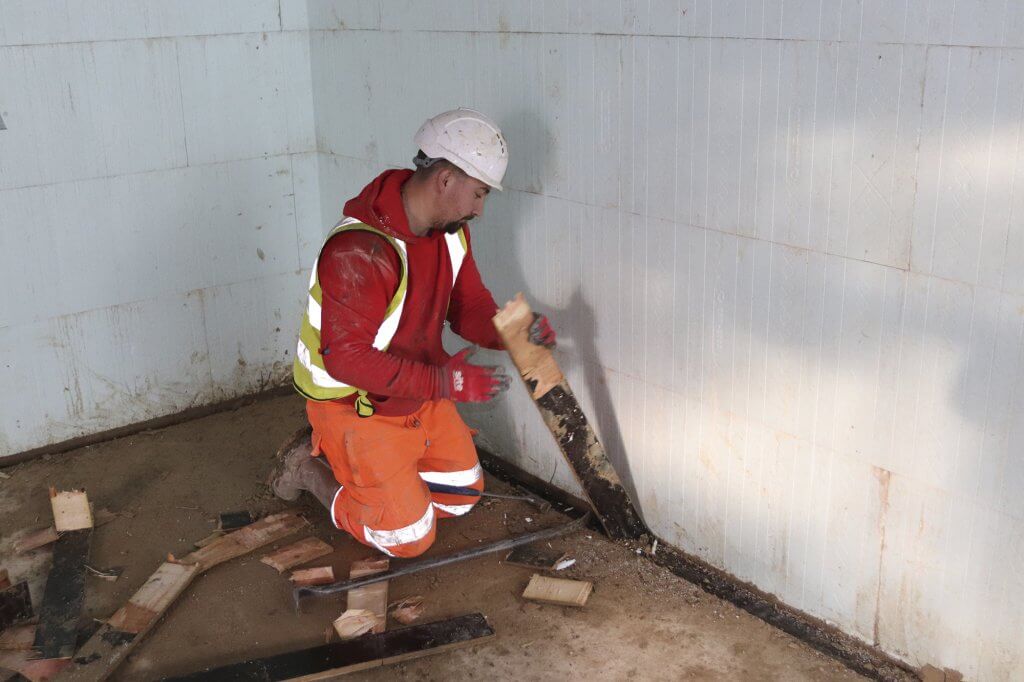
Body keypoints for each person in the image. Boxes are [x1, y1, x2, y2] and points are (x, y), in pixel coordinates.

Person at [269, 108, 556, 557]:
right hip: (352, 404)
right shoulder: (360, 251)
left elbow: (470, 308)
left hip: (411, 391)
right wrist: (444, 382)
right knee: (407, 538)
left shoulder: (449, 234)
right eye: (478, 194)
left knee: (460, 496)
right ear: (445, 179)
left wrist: (517, 333)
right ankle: (308, 468)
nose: (480, 210)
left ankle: (385, 479)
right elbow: (347, 360)